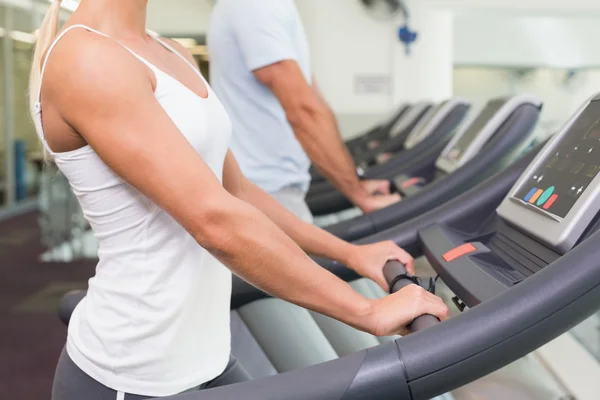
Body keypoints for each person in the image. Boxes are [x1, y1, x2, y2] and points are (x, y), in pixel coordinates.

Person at [31, 1, 448, 399]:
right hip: (137, 375)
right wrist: (367, 312)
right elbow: (215, 222)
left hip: (208, 359)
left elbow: (237, 192)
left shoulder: (169, 51)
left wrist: (352, 255)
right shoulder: (86, 58)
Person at [208, 0, 401, 223]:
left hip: (277, 186)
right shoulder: (258, 5)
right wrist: (359, 195)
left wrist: (356, 180)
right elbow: (303, 112)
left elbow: (316, 104)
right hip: (265, 191)